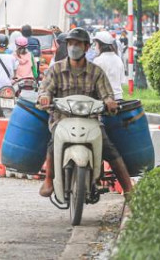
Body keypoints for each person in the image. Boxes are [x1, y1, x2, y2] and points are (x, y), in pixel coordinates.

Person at [38, 28, 132, 198]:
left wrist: (109, 102)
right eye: (71, 44)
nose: (74, 47)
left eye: (78, 44)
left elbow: (107, 94)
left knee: (110, 150)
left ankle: (129, 189)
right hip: (62, 120)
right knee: (52, 145)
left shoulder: (96, 72)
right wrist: (45, 97)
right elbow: (45, 90)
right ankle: (48, 179)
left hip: (91, 121)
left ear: (87, 47)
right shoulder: (56, 70)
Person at [93, 31, 126, 101]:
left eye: (96, 44)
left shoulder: (98, 60)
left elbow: (93, 83)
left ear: (100, 45)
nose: (95, 47)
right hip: (119, 98)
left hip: (104, 99)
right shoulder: (118, 59)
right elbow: (122, 81)